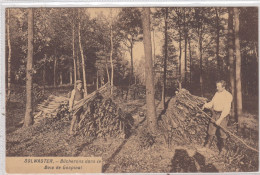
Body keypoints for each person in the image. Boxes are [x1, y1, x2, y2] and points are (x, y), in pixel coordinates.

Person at [202, 80, 233, 153]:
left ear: (223, 87)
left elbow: (226, 109)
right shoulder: (217, 93)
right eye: (216, 86)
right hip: (215, 114)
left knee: (222, 132)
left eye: (218, 86)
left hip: (223, 115)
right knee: (211, 130)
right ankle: (207, 147)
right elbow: (212, 103)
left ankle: (223, 150)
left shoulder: (228, 95)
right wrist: (205, 105)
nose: (217, 88)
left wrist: (220, 119)